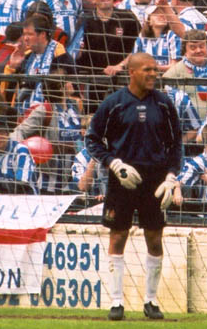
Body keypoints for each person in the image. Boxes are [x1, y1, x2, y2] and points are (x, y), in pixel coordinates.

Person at [85, 52, 182, 321]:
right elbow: (92, 140)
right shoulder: (113, 104)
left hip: (155, 180)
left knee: (155, 237)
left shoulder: (164, 104)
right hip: (122, 178)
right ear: (132, 72)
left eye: (155, 70)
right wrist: (114, 164)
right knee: (118, 236)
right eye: (148, 70)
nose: (153, 74)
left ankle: (151, 302)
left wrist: (171, 178)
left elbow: (176, 145)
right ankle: (116, 302)